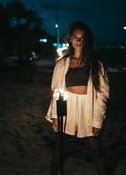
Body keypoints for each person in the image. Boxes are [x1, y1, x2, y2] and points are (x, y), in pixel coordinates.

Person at [46, 21, 109, 175]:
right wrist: (55, 115)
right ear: (70, 40)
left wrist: (97, 121)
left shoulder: (96, 65)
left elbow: (102, 94)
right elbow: (56, 90)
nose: (78, 41)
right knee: (59, 148)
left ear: (86, 40)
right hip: (66, 108)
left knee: (95, 148)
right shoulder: (62, 64)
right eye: (75, 37)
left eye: (82, 38)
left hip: (88, 109)